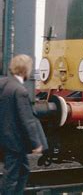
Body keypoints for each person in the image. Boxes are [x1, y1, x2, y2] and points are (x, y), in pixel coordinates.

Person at [0, 54, 44, 194]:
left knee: (23, 170)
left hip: (5, 138)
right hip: (14, 141)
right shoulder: (20, 91)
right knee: (11, 176)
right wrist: (36, 143)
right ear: (26, 70)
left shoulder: (4, 84)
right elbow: (27, 120)